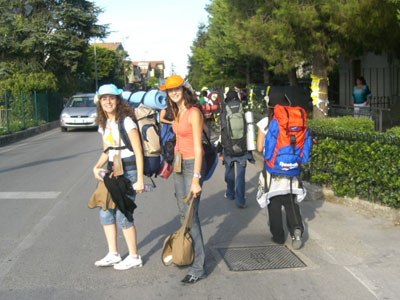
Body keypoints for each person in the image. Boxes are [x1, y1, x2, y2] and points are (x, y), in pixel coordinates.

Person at [92, 84, 145, 270]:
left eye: (111, 98)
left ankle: (134, 256)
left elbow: (138, 152)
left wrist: (140, 179)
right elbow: (107, 150)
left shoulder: (127, 121)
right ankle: (113, 254)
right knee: (105, 211)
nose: (108, 101)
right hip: (112, 170)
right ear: (100, 101)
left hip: (129, 170)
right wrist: (96, 166)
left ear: (118, 100)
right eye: (104, 98)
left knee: (124, 213)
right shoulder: (104, 123)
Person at [159, 75, 206, 284]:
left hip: (191, 166)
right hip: (178, 165)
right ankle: (189, 251)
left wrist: (196, 178)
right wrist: (171, 163)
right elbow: (178, 139)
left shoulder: (194, 113)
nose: (174, 92)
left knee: (191, 215)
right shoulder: (178, 111)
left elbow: (198, 148)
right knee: (181, 211)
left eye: (176, 89)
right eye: (170, 90)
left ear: (183, 90)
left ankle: (199, 267)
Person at [256, 91, 305, 250]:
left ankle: (278, 236)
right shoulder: (294, 118)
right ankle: (296, 229)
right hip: (292, 169)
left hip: (273, 170)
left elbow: (258, 148)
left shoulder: (266, 122)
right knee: (291, 201)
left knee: (274, 203)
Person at [220, 89, 254, 209]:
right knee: (240, 175)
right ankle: (240, 200)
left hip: (229, 148)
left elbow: (222, 130)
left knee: (229, 172)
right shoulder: (243, 109)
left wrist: (222, 146)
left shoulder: (225, 110)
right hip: (243, 148)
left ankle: (230, 193)